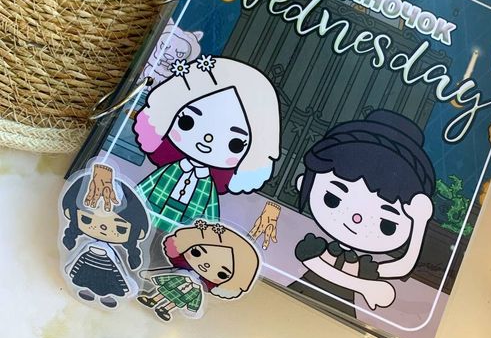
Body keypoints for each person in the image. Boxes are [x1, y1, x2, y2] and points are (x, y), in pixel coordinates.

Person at [289, 109, 435, 317]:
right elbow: (314, 263)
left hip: (340, 316)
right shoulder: (317, 247)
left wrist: (420, 222)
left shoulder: (362, 266)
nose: (355, 219)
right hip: (294, 299)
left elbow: (403, 267)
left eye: (387, 225)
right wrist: (364, 287)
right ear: (304, 183)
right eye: (332, 199)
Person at [133, 55, 281, 232]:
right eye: (187, 122)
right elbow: (145, 188)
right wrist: (131, 203)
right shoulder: (172, 169)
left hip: (183, 228)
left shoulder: (206, 185)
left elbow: (210, 214)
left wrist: (207, 232)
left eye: (234, 144)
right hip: (149, 212)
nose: (207, 139)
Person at [60, 167, 150, 308]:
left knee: (109, 283)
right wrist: (70, 269)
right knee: (86, 279)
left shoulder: (110, 254)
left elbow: (117, 271)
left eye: (120, 228)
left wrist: (127, 285)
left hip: (108, 274)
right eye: (87, 219)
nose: (102, 228)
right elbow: (78, 262)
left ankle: (106, 297)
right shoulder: (87, 248)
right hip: (87, 270)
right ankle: (87, 292)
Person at [138, 220, 260, 320]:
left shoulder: (201, 286)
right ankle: (153, 300)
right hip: (176, 280)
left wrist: (193, 310)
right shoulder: (182, 266)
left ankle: (165, 309)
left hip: (189, 290)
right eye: (197, 252)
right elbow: (169, 271)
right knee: (166, 290)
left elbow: (197, 298)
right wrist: (152, 274)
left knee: (178, 300)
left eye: (222, 274)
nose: (206, 265)